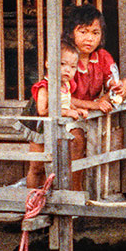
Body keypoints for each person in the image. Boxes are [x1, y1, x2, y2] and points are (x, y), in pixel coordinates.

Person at [63, 4, 126, 190]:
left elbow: (112, 78)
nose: (89, 38)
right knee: (76, 139)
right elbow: (62, 96)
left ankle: (100, 190)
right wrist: (94, 105)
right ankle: (75, 192)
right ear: (71, 33)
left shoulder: (102, 56)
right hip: (69, 113)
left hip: (95, 112)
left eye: (95, 33)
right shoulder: (67, 57)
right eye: (83, 32)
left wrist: (115, 86)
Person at [18, 38, 86, 189]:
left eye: (73, 67)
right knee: (37, 168)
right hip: (40, 128)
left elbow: (65, 100)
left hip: (54, 129)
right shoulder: (45, 87)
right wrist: (66, 112)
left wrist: (75, 108)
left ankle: (43, 197)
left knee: (49, 166)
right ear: (48, 64)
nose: (68, 70)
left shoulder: (66, 84)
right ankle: (31, 197)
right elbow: (42, 111)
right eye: (62, 64)